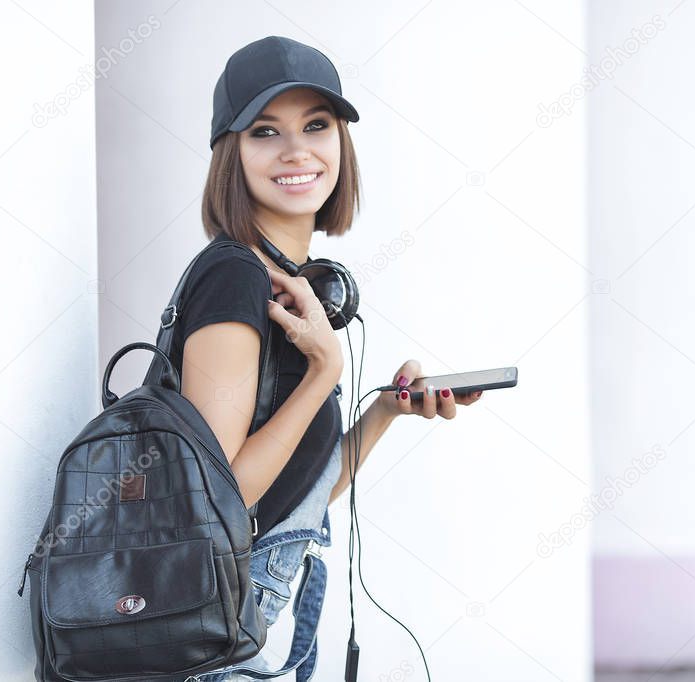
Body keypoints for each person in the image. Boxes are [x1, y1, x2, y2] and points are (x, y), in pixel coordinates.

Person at [171, 36, 484, 681]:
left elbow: (292, 498)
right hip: (218, 636)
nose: (297, 151)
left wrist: (384, 414)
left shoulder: (292, 287)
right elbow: (224, 497)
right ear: (231, 152)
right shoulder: (234, 279)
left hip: (259, 622)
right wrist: (325, 373)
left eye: (317, 125)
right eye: (265, 131)